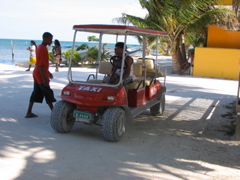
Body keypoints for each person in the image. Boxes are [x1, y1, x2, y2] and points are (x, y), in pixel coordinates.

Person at [25, 32, 56, 118]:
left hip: (37, 73)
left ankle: (29, 112)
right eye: (50, 39)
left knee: (36, 92)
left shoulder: (41, 48)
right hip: (40, 74)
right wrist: (45, 78)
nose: (51, 41)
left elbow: (41, 63)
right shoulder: (42, 49)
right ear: (45, 38)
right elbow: (41, 65)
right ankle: (54, 112)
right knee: (47, 92)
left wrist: (48, 72)